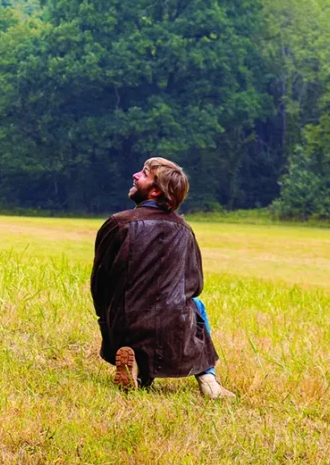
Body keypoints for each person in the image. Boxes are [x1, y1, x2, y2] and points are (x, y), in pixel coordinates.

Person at [91, 157, 235, 399]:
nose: (135, 175)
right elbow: (195, 285)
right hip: (174, 332)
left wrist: (106, 318)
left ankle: (136, 369)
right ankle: (208, 379)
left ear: (155, 190)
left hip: (124, 324)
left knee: (129, 310)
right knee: (196, 305)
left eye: (144, 174)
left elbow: (100, 283)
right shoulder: (185, 230)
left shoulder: (118, 224)